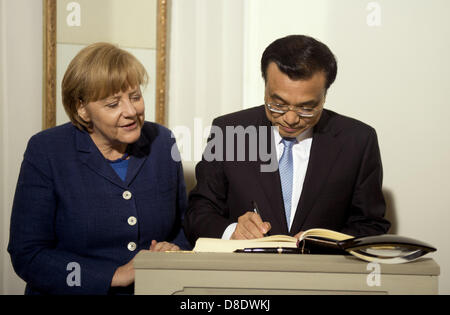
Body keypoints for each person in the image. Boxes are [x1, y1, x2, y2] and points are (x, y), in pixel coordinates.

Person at [8, 43, 191, 295]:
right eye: (113, 104)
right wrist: (113, 276)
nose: (130, 111)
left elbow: (184, 227)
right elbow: (28, 254)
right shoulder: (47, 151)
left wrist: (174, 249)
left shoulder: (162, 141)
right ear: (82, 109)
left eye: (135, 97)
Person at [184, 35, 390, 244]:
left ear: (325, 96)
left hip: (323, 273)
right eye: (278, 104)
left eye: (306, 108)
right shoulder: (229, 131)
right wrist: (233, 231)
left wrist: (329, 243)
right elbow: (197, 214)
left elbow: (371, 225)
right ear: (265, 88)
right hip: (245, 272)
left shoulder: (358, 141)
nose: (291, 119)